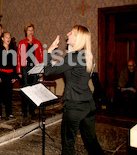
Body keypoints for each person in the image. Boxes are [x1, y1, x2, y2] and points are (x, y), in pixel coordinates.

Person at [44, 25, 104, 155]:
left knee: (68, 143)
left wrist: (49, 52)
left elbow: (48, 71)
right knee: (91, 141)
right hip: (88, 103)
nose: (67, 33)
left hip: (74, 106)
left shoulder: (72, 57)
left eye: (71, 32)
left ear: (77, 38)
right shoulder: (87, 55)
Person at [17, 23, 43, 117]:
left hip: (35, 68)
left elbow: (41, 57)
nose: (30, 32)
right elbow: (19, 57)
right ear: (25, 32)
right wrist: (19, 71)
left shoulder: (37, 43)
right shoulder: (21, 43)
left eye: (32, 30)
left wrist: (41, 70)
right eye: (29, 30)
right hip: (25, 68)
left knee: (34, 89)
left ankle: (32, 110)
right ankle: (24, 110)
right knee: (26, 89)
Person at [0, 32, 18, 120]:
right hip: (1, 74)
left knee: (9, 95)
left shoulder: (13, 50)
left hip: (10, 75)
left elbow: (15, 64)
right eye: (6, 37)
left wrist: (15, 76)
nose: (8, 39)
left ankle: (9, 113)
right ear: (2, 39)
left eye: (9, 37)